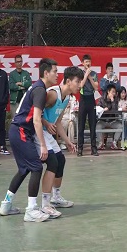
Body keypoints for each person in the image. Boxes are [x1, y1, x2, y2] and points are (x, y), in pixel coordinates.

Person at [0, 58, 59, 222]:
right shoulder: (40, 90)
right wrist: (43, 145)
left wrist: (45, 124)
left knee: (24, 169)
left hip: (17, 131)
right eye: (55, 71)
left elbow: (32, 114)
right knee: (36, 167)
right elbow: (36, 120)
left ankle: (6, 205)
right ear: (46, 73)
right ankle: (31, 210)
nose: (57, 75)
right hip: (21, 132)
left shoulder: (37, 88)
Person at [37, 66, 84, 218]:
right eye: (78, 81)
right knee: (52, 162)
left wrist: (68, 141)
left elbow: (57, 122)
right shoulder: (52, 94)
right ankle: (45, 204)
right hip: (38, 131)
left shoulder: (67, 98)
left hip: (48, 133)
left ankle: (56, 197)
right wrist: (45, 123)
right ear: (68, 81)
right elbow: (35, 113)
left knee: (60, 160)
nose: (80, 85)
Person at [77, 54, 99, 156]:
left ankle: (94, 148)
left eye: (89, 61)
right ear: (83, 63)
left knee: (92, 125)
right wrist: (86, 75)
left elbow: (96, 87)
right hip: (83, 99)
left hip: (91, 99)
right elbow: (80, 85)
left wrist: (90, 76)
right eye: (86, 62)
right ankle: (80, 148)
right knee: (81, 125)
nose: (88, 63)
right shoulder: (80, 73)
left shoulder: (94, 74)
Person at [96, 84, 122, 149]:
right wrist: (103, 109)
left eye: (114, 92)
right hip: (103, 121)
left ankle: (114, 143)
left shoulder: (115, 99)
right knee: (98, 126)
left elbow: (115, 110)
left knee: (120, 126)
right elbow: (98, 108)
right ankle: (100, 143)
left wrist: (112, 101)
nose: (114, 93)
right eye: (112, 92)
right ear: (108, 91)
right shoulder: (102, 99)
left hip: (112, 121)